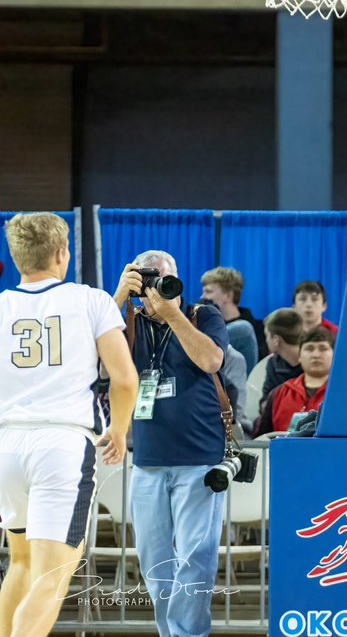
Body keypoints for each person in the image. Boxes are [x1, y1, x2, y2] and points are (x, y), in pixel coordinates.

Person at [0, 213, 138, 637]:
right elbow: (124, 377)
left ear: (15, 255)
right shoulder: (91, 299)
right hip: (61, 443)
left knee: (20, 563)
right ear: (63, 253)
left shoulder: (2, 304)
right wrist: (118, 429)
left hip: (7, 444)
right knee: (51, 575)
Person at [113, 250, 229, 637]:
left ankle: (188, 634)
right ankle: (170, 633)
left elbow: (211, 360)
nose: (155, 288)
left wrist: (171, 311)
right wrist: (118, 299)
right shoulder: (127, 321)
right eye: (147, 280)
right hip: (147, 461)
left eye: (163, 279)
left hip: (199, 458)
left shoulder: (203, 315)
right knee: (154, 562)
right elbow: (99, 364)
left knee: (196, 558)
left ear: (178, 280)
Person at [259, 328, 333, 435]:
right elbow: (261, 440)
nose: (316, 355)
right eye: (309, 348)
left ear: (334, 355)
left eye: (323, 348)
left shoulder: (340, 396)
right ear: (299, 356)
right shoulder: (278, 393)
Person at [201, 266, 266, 362]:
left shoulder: (258, 329)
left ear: (228, 295)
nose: (203, 297)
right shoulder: (205, 325)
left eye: (209, 291)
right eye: (203, 292)